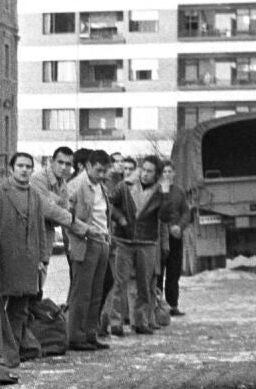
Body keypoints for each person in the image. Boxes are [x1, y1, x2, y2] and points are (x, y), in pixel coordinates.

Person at [105, 155, 173, 336]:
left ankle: (140, 321)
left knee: (144, 284)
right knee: (120, 283)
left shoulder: (160, 191)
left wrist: (166, 195)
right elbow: (109, 203)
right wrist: (120, 218)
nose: (145, 174)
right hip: (124, 241)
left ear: (157, 174)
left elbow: (166, 217)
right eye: (143, 169)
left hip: (147, 242)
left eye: (150, 171)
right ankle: (116, 322)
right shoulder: (125, 186)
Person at [0, 153, 46, 360]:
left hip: (28, 261)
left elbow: (40, 228)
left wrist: (42, 258)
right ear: (11, 168)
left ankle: (12, 351)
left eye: (28, 166)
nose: (24, 170)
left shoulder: (35, 195)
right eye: (20, 165)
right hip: (4, 261)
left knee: (20, 309)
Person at [64, 149, 114, 351]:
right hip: (85, 243)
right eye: (99, 170)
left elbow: (104, 214)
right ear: (88, 166)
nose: (102, 175)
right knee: (82, 292)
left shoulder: (101, 187)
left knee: (96, 291)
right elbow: (66, 216)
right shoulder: (75, 186)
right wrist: (82, 232)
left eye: (105, 171)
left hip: (102, 242)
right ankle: (76, 336)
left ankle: (90, 333)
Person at [30, 146, 75, 292]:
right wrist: (75, 222)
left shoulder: (62, 185)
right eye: (60, 162)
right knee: (31, 283)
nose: (63, 167)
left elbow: (60, 214)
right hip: (33, 235)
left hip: (47, 235)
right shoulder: (39, 179)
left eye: (68, 164)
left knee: (40, 281)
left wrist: (58, 212)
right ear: (51, 161)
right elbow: (47, 210)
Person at [156, 161, 190, 316]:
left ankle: (172, 304)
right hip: (159, 237)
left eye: (170, 171)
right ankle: (156, 305)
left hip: (175, 236)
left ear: (174, 173)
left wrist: (180, 226)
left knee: (174, 271)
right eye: (164, 172)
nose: (167, 175)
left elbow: (186, 212)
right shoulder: (156, 191)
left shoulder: (179, 192)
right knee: (157, 272)